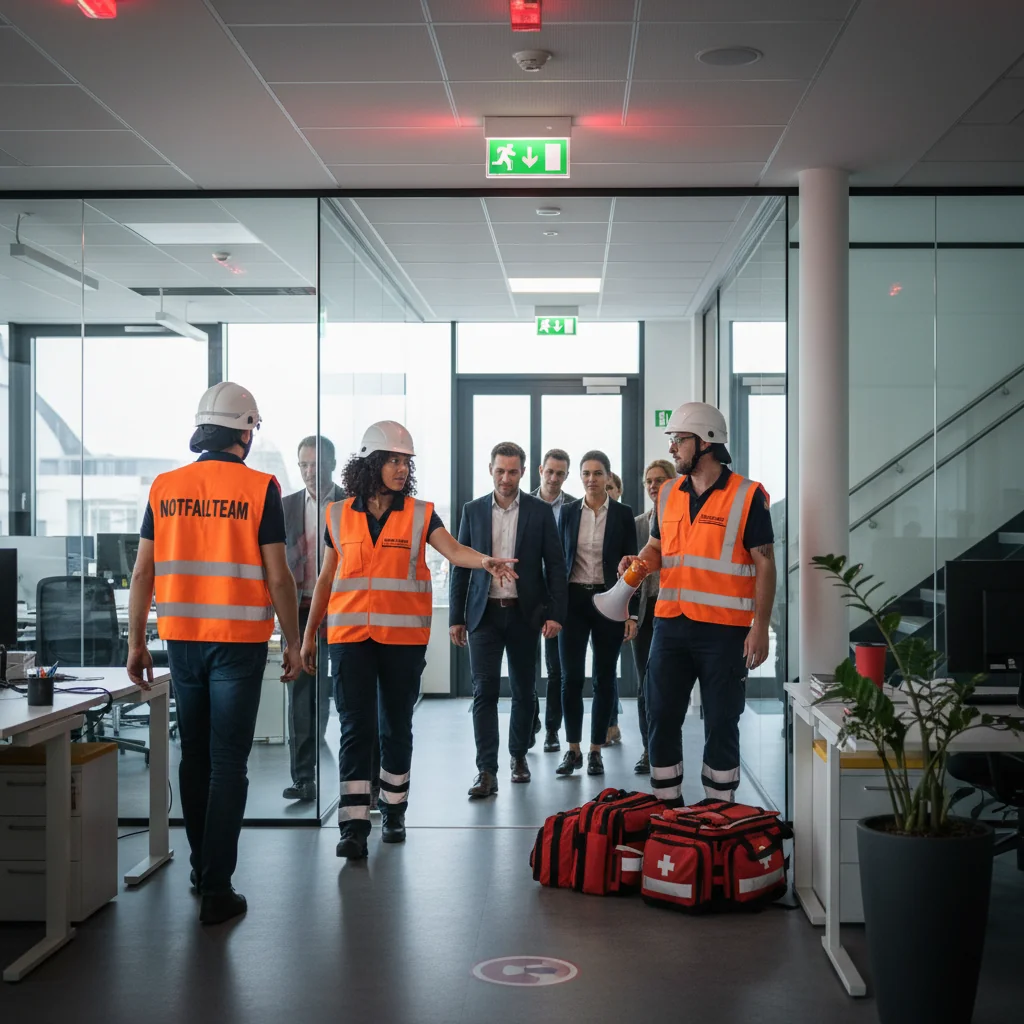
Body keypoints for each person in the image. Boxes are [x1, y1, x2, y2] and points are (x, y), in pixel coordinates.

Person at [127, 382, 302, 926]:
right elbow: (279, 575)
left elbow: (142, 572)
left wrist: (136, 642)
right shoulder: (260, 488)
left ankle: (202, 870)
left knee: (196, 757)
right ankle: (218, 890)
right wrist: (295, 644)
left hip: (181, 641)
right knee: (229, 761)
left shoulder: (166, 486)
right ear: (245, 432)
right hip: (239, 644)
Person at [301, 420, 516, 860]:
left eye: (406, 462)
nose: (401, 469)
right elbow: (326, 578)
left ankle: (394, 810)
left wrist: (486, 562)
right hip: (349, 639)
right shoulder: (338, 514)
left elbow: (453, 550)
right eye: (394, 460)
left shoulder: (420, 513)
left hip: (401, 641)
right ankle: (353, 824)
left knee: (395, 726)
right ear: (372, 463)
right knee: (354, 729)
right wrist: (308, 636)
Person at [624, 402, 776, 806]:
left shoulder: (748, 496)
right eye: (672, 440)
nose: (672, 448)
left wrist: (760, 627)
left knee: (723, 722)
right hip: (670, 627)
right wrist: (634, 570)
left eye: (679, 440)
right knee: (660, 717)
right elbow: (657, 549)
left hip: (725, 631)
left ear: (706, 442)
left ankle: (718, 814)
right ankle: (667, 811)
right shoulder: (670, 493)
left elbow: (765, 563)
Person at [450, 442, 567, 797]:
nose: (505, 478)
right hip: (483, 615)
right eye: (500, 471)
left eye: (512, 471)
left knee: (523, 691)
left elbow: (556, 565)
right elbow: (460, 565)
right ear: (490, 470)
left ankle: (518, 756)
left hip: (523, 614)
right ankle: (486, 770)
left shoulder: (539, 511)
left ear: (522, 472)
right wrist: (456, 617)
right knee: (483, 692)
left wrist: (556, 613)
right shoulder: (472, 511)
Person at [556, 450, 638, 777]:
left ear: (608, 476)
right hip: (573, 602)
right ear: (580, 477)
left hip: (610, 602)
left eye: (598, 473)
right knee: (570, 678)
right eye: (586, 473)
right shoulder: (567, 512)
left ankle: (595, 751)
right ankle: (572, 748)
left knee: (605, 678)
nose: (591, 479)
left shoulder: (622, 514)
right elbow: (558, 560)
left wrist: (629, 613)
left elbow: (632, 569)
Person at [281, 435, 347, 803]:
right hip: (300, 610)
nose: (309, 471)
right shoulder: (285, 506)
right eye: (303, 464)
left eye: (316, 464)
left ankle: (354, 779)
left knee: (344, 693)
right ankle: (303, 777)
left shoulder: (348, 505)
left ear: (332, 464)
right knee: (301, 696)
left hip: (341, 610)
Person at [630, 459, 677, 774]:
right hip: (645, 612)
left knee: (669, 685)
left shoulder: (683, 520)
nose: (652, 486)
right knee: (645, 683)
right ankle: (649, 749)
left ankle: (667, 749)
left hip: (675, 610)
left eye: (659, 480)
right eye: (648, 481)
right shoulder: (637, 524)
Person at [532, 448, 576, 753]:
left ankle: (551, 730)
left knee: (556, 669)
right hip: (525, 595)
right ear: (540, 471)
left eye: (560, 473)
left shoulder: (574, 507)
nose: (554, 478)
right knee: (525, 666)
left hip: (558, 596)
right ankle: (530, 719)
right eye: (550, 472)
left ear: (566, 475)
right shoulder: (523, 504)